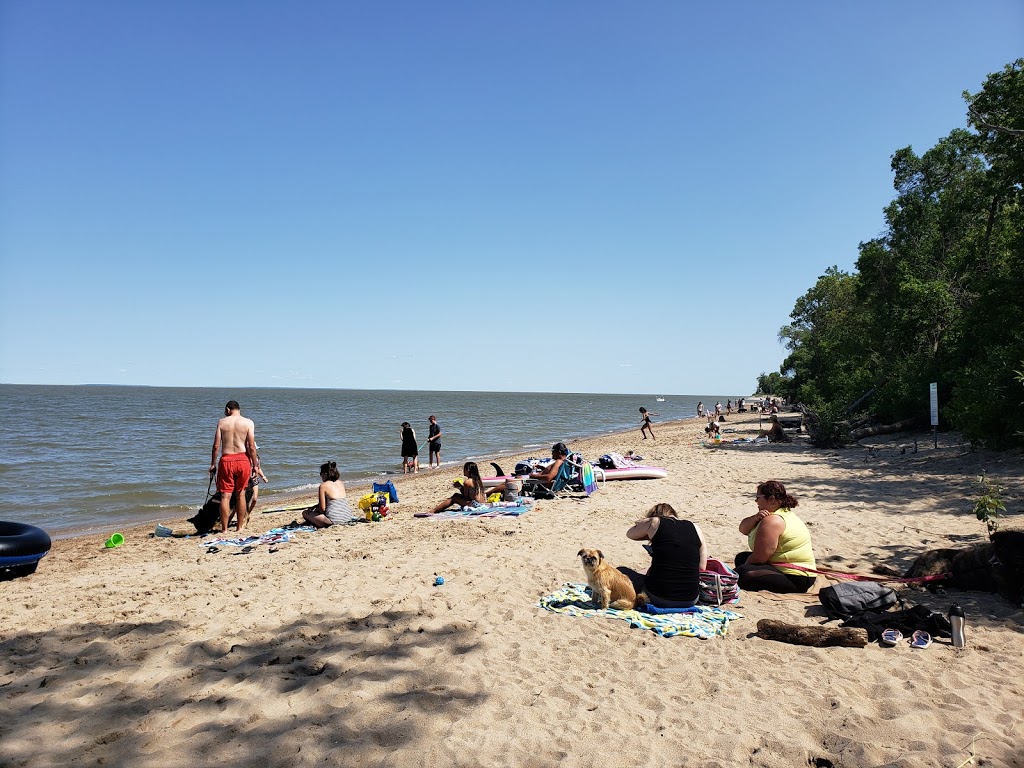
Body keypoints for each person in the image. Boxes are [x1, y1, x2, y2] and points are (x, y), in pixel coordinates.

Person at [734, 480, 816, 593]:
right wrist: (755, 518)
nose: (756, 501)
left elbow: (760, 557)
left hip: (796, 576)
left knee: (743, 573)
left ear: (771, 499)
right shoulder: (783, 513)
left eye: (758, 497)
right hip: (792, 570)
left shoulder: (773, 521)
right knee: (741, 557)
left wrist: (740, 569)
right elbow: (743, 529)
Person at [620, 503, 708, 608]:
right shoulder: (696, 528)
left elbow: (630, 534)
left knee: (621, 571)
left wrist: (650, 535)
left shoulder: (654, 522)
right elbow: (702, 567)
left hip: (658, 597)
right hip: (691, 599)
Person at [210, 400, 257, 533]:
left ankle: (224, 529)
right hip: (243, 460)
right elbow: (251, 447)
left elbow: (216, 446)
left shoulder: (222, 422)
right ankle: (239, 527)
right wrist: (254, 465)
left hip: (226, 459)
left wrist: (213, 464)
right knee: (241, 494)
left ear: (228, 409)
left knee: (225, 496)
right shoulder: (248, 422)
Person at [489, 442, 570, 497]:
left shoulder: (558, 462)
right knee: (517, 478)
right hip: (542, 483)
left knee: (512, 483)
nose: (552, 453)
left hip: (539, 485)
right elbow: (554, 473)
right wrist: (542, 468)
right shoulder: (564, 462)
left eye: (553, 451)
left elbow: (549, 478)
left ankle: (487, 494)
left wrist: (532, 475)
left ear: (559, 452)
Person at [302, 461, 355, 528]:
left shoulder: (323, 486)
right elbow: (334, 501)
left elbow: (322, 509)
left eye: (321, 474)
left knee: (305, 513)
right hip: (347, 517)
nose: (321, 476)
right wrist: (315, 507)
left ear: (325, 474)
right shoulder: (341, 483)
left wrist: (315, 511)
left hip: (333, 521)